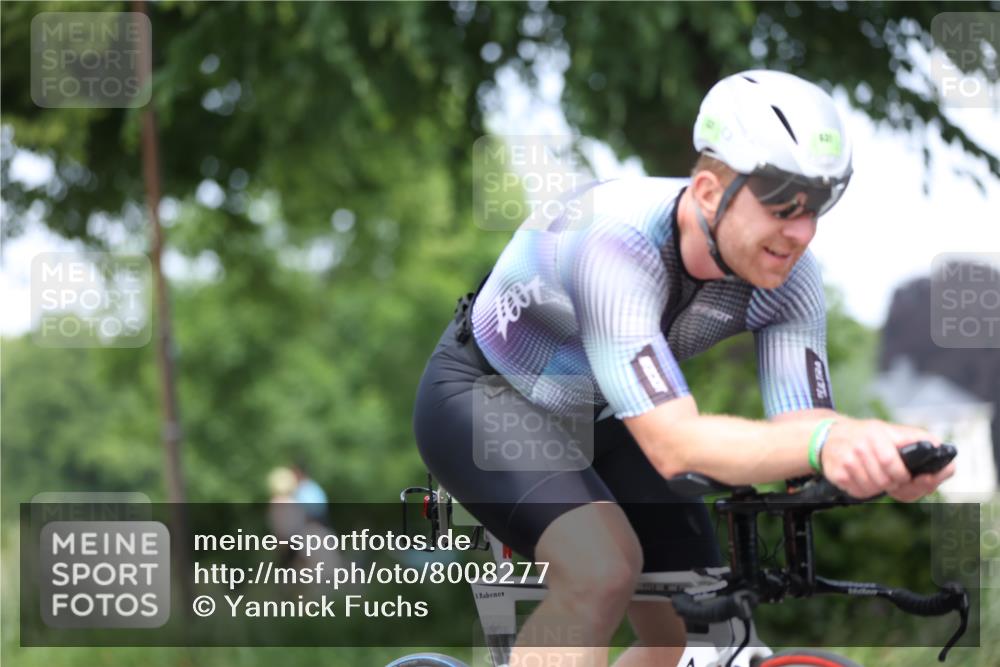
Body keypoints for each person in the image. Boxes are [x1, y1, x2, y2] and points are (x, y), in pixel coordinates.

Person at [412, 70, 956, 667]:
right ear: (704, 192)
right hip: (487, 397)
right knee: (599, 570)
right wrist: (827, 441)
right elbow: (675, 446)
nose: (802, 231)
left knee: (702, 624)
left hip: (604, 411)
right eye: (782, 203)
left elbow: (804, 431)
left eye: (818, 205)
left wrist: (873, 462)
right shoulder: (615, 242)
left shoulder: (791, 276)